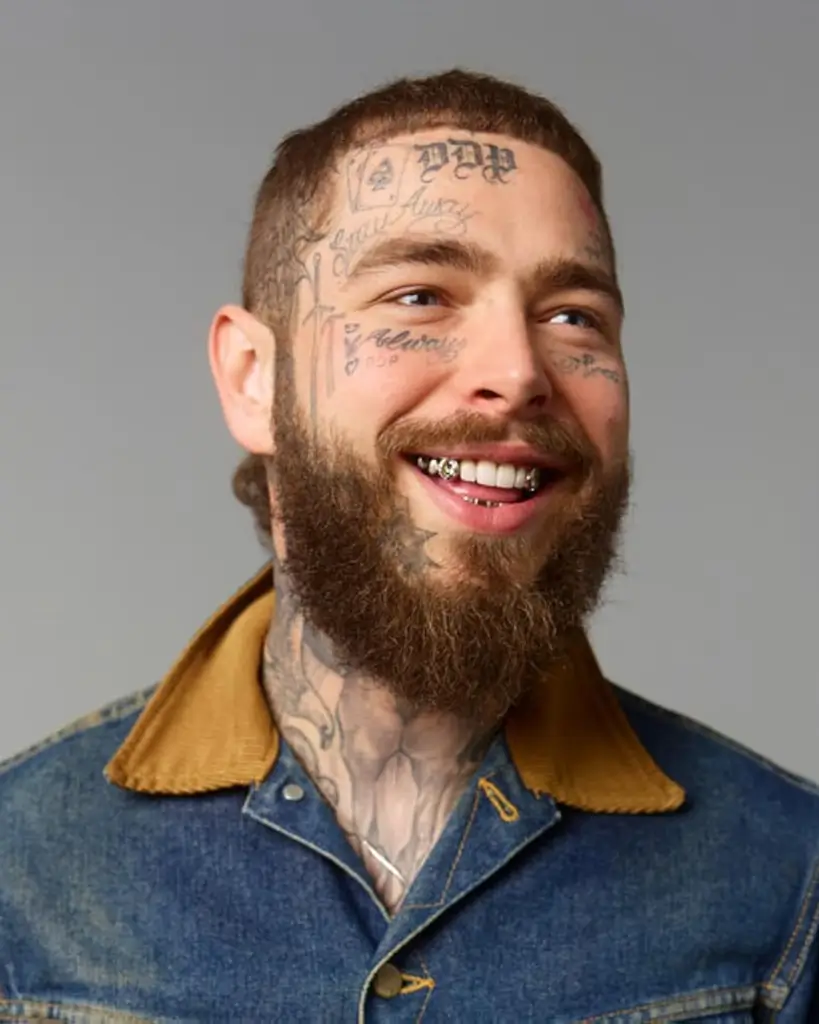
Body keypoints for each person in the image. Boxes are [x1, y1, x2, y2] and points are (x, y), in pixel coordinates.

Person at [2, 69, 817, 1023]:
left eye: (572, 316)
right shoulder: (21, 876)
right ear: (254, 378)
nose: (517, 373)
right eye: (420, 295)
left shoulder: (789, 884)